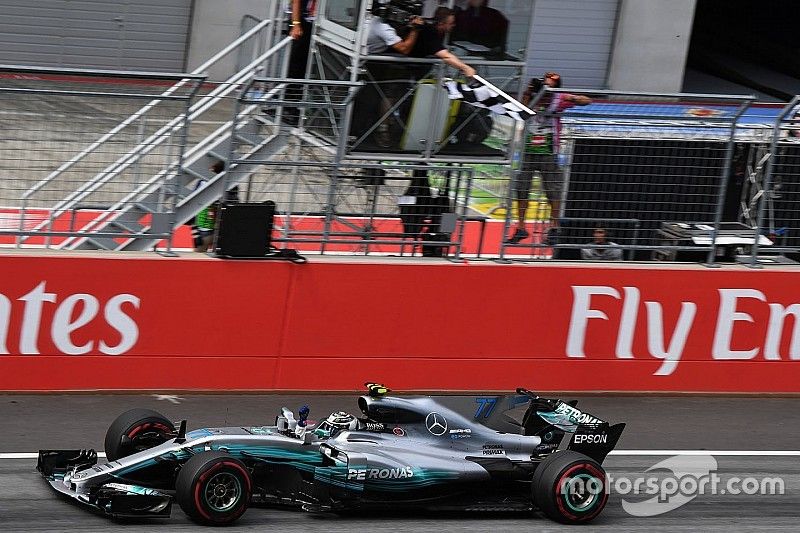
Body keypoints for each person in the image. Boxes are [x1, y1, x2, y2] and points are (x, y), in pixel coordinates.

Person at [506, 72, 592, 244]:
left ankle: (553, 228)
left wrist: (570, 97)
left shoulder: (559, 99)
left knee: (553, 192)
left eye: (551, 83)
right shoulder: (531, 98)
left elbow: (587, 101)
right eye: (544, 82)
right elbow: (520, 111)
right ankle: (521, 228)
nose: (546, 86)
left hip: (548, 152)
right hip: (527, 152)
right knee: (521, 190)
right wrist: (529, 93)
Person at [364, 4, 426, 146]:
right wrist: (415, 29)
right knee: (388, 95)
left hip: (371, 61)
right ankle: (382, 129)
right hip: (370, 64)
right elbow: (404, 48)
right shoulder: (383, 27)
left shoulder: (372, 20)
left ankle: (381, 125)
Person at [409, 7, 476, 79]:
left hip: (421, 68)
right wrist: (465, 68)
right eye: (451, 23)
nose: (453, 25)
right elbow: (446, 56)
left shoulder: (441, 33)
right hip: (410, 68)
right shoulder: (430, 33)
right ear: (441, 24)